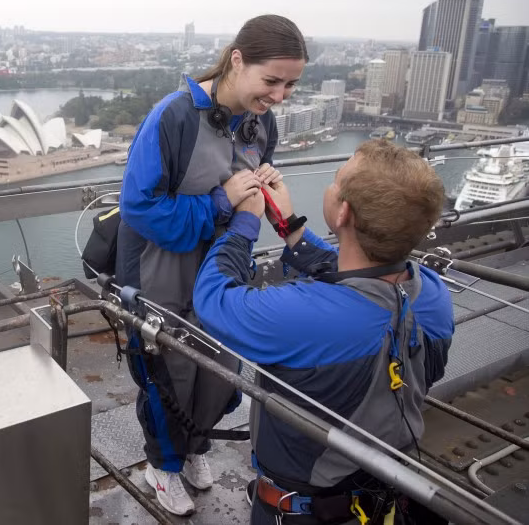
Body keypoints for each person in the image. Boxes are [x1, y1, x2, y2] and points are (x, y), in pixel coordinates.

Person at [193, 139, 454, 524]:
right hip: (386, 491)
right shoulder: (433, 294)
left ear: (343, 211)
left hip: (302, 510)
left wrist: (245, 222)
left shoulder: (301, 316)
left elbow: (213, 297)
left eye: (335, 181)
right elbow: (357, 273)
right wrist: (290, 225)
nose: (331, 187)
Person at [116, 14, 308, 515]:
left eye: (291, 84)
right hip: (160, 267)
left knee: (219, 367)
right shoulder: (174, 117)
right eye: (272, 81)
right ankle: (163, 463)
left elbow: (245, 192)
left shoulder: (261, 121)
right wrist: (221, 203)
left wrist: (262, 188)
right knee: (168, 372)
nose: (281, 95)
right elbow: (139, 208)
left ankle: (195, 445)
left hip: (223, 266)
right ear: (237, 60)